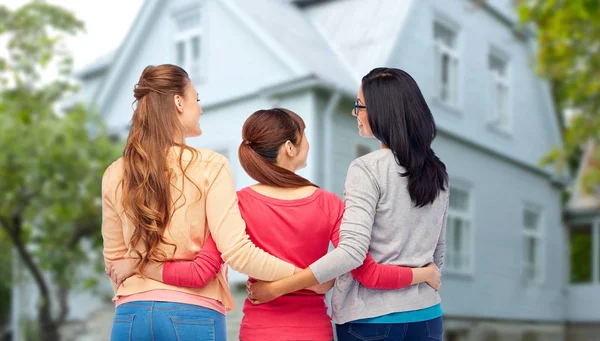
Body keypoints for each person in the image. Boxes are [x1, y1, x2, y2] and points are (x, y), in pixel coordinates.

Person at [108, 108, 441, 341]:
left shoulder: (238, 203)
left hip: (259, 330)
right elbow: (357, 270)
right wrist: (421, 274)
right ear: (290, 147)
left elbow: (199, 272)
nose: (308, 142)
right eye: (304, 136)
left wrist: (142, 267)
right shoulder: (329, 204)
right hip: (314, 331)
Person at [247, 68, 449, 341]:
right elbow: (437, 254)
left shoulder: (366, 169)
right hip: (426, 317)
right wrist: (424, 276)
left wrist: (278, 287)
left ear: (381, 111)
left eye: (359, 106)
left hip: (371, 319)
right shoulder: (438, 171)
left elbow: (352, 253)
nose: (355, 113)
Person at [101, 64, 300, 341]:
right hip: (191, 313)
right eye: (197, 99)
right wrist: (302, 275)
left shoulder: (115, 172)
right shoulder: (210, 165)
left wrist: (141, 279)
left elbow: (114, 261)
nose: (201, 109)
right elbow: (237, 251)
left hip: (130, 315)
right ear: (178, 102)